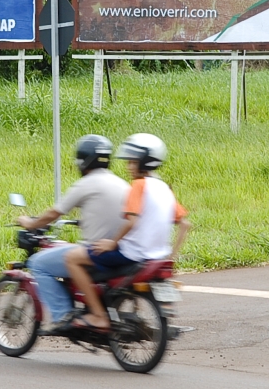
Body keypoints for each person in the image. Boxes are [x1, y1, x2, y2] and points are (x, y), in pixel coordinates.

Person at [64, 133, 191, 331]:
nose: (128, 166)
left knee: (72, 258)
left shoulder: (138, 186)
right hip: (156, 258)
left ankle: (98, 316)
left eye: (132, 162)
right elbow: (185, 225)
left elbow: (132, 221)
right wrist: (172, 256)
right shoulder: (164, 187)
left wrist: (112, 243)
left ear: (142, 163)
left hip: (130, 254)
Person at [17, 134, 129, 331]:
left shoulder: (86, 183)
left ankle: (63, 315)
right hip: (122, 249)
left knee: (38, 263)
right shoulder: (121, 183)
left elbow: (55, 212)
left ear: (82, 160)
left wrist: (31, 223)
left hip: (97, 251)